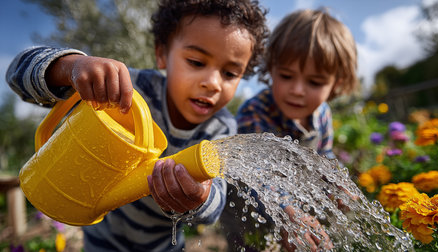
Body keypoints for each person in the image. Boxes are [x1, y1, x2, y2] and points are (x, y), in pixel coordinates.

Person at [6, 0, 268, 251]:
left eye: (230, 73)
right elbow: (16, 74)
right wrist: (70, 67)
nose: (213, 83)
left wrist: (200, 198)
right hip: (102, 240)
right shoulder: (127, 91)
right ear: (161, 54)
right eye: (197, 63)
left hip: (162, 246)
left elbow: (215, 207)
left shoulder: (221, 129)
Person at [220, 8, 358, 251]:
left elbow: (323, 156)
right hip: (247, 209)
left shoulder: (322, 113)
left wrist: (339, 185)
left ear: (336, 83)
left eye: (314, 82)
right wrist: (289, 214)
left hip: (292, 206)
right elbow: (258, 176)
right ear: (271, 68)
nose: (297, 90)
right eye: (286, 76)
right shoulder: (255, 113)